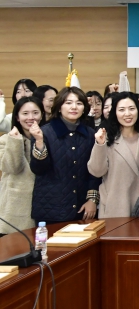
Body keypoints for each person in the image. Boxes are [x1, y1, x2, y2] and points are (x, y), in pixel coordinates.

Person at [30, 87, 99, 223]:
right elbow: (38, 169)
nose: (74, 107)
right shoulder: (44, 132)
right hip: (51, 208)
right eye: (68, 103)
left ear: (84, 108)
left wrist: (92, 199)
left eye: (79, 103)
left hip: (81, 207)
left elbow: (94, 171)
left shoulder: (90, 134)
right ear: (59, 107)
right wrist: (39, 142)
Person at [88, 92, 139, 218]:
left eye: (132, 108)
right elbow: (97, 171)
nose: (127, 114)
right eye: (121, 110)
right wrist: (100, 145)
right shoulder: (107, 138)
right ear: (115, 112)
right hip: (115, 207)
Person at [0, 97, 45, 234]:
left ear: (42, 115)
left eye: (35, 113)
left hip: (43, 208)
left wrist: (39, 141)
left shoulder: (48, 138)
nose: (31, 117)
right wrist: (15, 141)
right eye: (25, 113)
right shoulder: (5, 140)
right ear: (17, 117)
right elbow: (12, 168)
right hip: (13, 211)